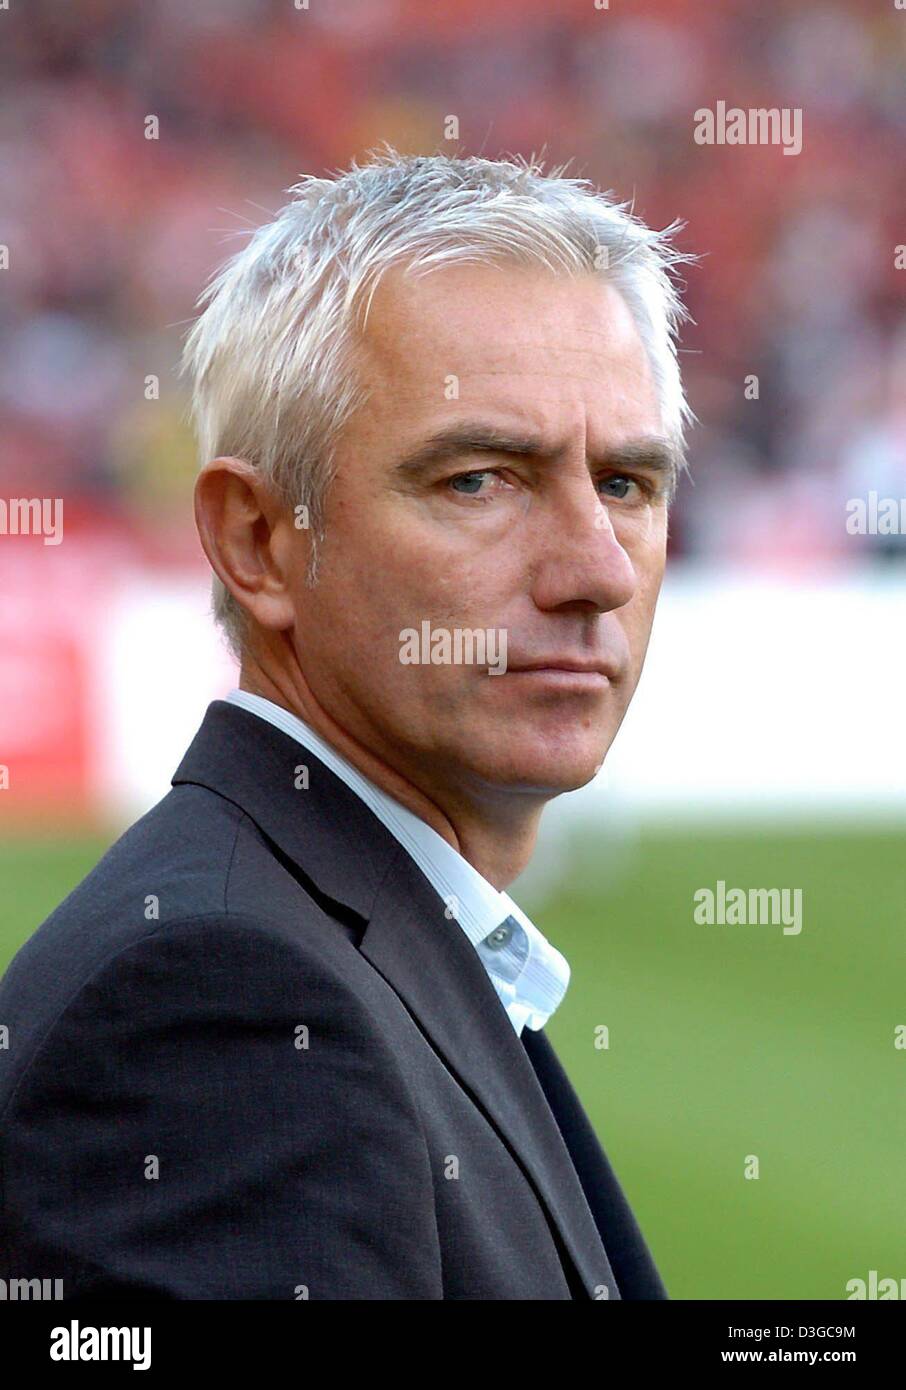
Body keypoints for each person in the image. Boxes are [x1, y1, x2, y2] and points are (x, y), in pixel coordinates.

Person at [0, 149, 694, 1299]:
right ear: (260, 542)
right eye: (482, 479)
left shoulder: (337, 935)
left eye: (626, 482)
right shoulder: (223, 1004)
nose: (596, 572)